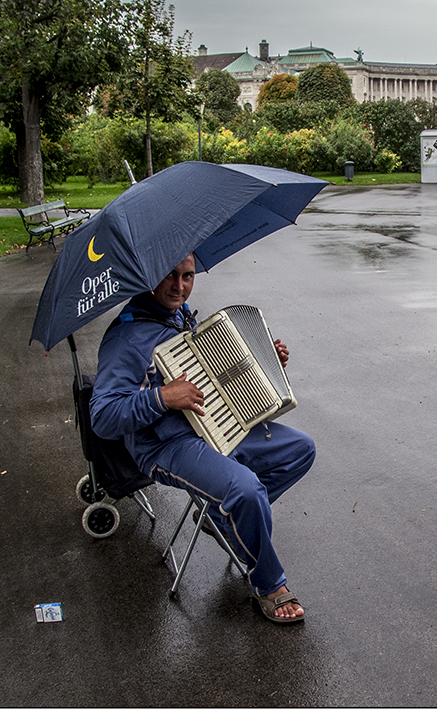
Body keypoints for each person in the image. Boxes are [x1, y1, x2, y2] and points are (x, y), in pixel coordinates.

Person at [89, 254, 315, 624]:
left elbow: (219, 374)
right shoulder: (127, 337)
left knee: (300, 449)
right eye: (170, 276)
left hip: (213, 424)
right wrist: (162, 397)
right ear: (148, 277)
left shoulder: (180, 316)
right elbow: (102, 417)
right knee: (246, 490)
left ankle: (220, 516)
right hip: (164, 445)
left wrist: (265, 360)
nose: (179, 286)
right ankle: (269, 583)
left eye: (188, 276)